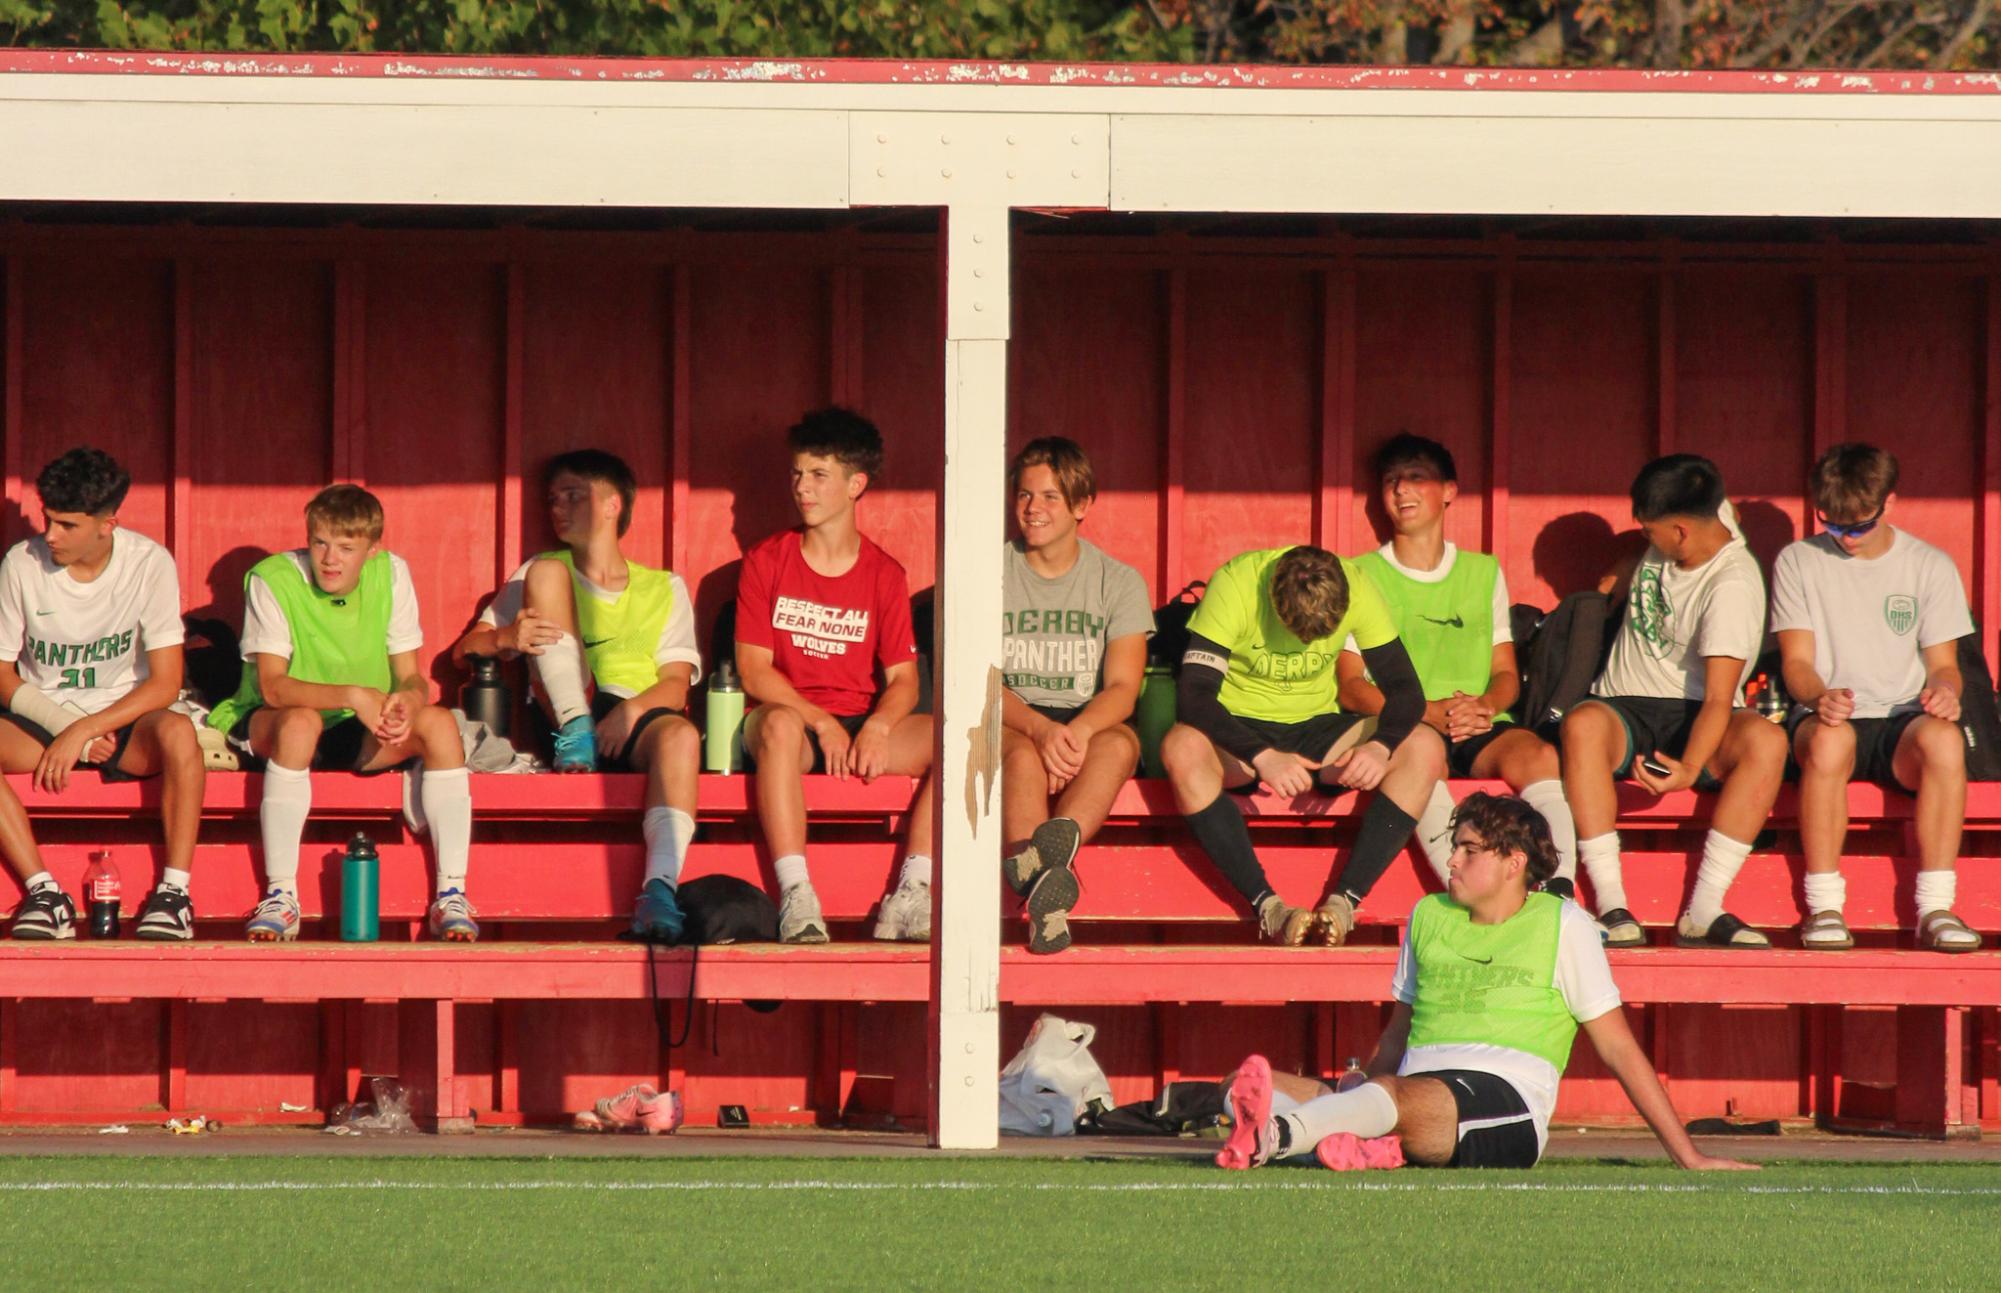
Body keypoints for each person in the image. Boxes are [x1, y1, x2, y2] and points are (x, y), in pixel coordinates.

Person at [1215, 792, 1755, 1173]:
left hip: (1506, 1101)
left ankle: (1276, 1139)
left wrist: (1687, 1152)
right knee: (1239, 1083)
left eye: (1470, 850)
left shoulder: (1564, 923)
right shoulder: (1428, 913)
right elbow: (1399, 1031)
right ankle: (1364, 1141)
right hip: (1404, 1090)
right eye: (1457, 847)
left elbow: (1617, 1047)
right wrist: (1366, 1087)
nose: (1451, 860)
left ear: (1513, 863)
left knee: (1376, 1100)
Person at [453, 450, 704, 944]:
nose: (558, 509)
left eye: (573, 495)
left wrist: (629, 713)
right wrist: (507, 640)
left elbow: (675, 684)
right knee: (547, 573)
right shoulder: (541, 570)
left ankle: (659, 890)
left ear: (612, 505)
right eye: (552, 499)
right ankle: (575, 727)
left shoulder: (663, 586)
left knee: (681, 735)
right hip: (567, 716)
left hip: (631, 723)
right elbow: (466, 650)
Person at [208, 485, 476, 942]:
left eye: (346, 548)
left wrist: (407, 702)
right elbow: (274, 688)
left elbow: (412, 677)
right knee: (300, 721)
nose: (330, 559)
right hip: (276, 721)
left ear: (372, 550)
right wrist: (354, 695)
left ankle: (451, 893)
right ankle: (281, 895)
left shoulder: (391, 575)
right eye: (320, 543)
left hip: (359, 727)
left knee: (439, 723)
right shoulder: (272, 578)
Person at [1159, 544, 1446, 946]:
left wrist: (1380, 746)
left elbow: (1406, 692)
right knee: (1180, 746)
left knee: (1424, 745)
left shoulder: (1358, 585)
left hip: (1318, 727)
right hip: (1238, 730)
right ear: (1273, 599)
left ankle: (1343, 904)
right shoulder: (1236, 584)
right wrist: (1262, 755)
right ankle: (1270, 908)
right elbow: (1194, 696)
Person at [1335, 433, 1578, 899]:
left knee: (1539, 755)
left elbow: (1506, 674)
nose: (1401, 491)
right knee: (1421, 760)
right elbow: (1350, 687)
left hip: (1472, 721)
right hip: (1407, 725)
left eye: (1415, 478)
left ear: (1449, 490)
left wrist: (1485, 705)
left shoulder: (1482, 571)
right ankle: (1468, 888)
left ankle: (1559, 887)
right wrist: (1423, 711)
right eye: (1390, 481)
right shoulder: (1362, 574)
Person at [1559, 455, 1787, 949]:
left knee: (1767, 742)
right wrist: (1617, 575)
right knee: (1581, 726)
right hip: (1625, 704)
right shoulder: (1708, 510)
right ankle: (1612, 903)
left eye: (1649, 530)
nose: (1645, 539)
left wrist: (1687, 767)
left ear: (1682, 531)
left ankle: (1704, 908)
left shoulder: (1732, 586)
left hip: (1701, 711)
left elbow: (1720, 699)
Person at [736, 408, 934, 944]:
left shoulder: (883, 573)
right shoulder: (766, 561)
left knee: (959, 736)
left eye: (819, 475)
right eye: (797, 473)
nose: (802, 488)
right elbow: (754, 671)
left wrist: (879, 726)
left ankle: (915, 889)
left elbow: (903, 680)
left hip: (857, 724)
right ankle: (797, 894)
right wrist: (821, 722)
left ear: (856, 485)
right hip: (791, 724)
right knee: (776, 726)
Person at [1772, 444, 1980, 953]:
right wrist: (1820, 697)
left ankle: (1935, 907)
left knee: (1945, 743)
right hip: (1826, 715)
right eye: (1833, 524)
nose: (1844, 538)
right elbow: (1796, 662)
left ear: (1890, 503)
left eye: (1858, 526)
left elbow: (1945, 666)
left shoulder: (1928, 565)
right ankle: (1824, 906)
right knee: (1828, 742)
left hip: (1900, 721)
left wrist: (1946, 695)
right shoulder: (1799, 560)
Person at [0, 448, 205, 940]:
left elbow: (166, 681)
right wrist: (64, 725)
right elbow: (2, 672)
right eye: (48, 519)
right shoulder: (20, 564)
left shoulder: (149, 563)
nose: (50, 535)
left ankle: (174, 895)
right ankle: (45, 893)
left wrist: (90, 728)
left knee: (180, 735)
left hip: (124, 719)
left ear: (107, 523)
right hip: (43, 719)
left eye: (67, 525)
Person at [999, 437, 1152, 955]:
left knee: (1122, 745)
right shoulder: (989, 573)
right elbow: (977, 681)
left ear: (1082, 505)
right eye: (1024, 495)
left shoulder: (1118, 581)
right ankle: (1051, 898)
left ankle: (1040, 868)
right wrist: (1040, 730)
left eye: (1049, 498)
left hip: (1083, 717)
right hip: (1012, 715)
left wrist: (1078, 733)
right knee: (1020, 756)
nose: (1032, 509)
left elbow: (1123, 688)